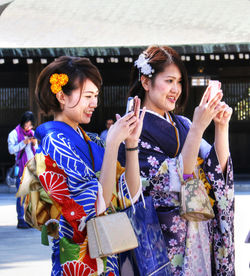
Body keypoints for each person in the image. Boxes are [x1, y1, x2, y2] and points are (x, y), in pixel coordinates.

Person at [118, 46, 234, 275]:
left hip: (199, 233)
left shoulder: (183, 123)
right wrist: (199, 127)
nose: (176, 90)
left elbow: (216, 172)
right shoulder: (131, 128)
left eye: (179, 82)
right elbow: (176, 179)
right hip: (161, 241)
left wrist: (221, 126)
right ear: (145, 82)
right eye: (169, 80)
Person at [34, 56, 145, 275]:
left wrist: (131, 144)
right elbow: (92, 209)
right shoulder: (54, 142)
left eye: (95, 96)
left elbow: (127, 195)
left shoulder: (92, 140)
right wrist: (113, 144)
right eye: (87, 96)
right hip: (77, 259)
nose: (94, 103)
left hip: (107, 256)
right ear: (61, 97)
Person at [7, 111, 37, 229]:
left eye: (30, 126)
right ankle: (20, 219)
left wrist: (34, 144)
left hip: (33, 168)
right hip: (21, 168)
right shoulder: (14, 134)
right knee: (22, 195)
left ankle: (29, 219)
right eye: (26, 125)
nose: (28, 128)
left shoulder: (32, 133)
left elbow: (37, 150)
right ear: (22, 123)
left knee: (32, 195)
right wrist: (23, 143)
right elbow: (11, 150)